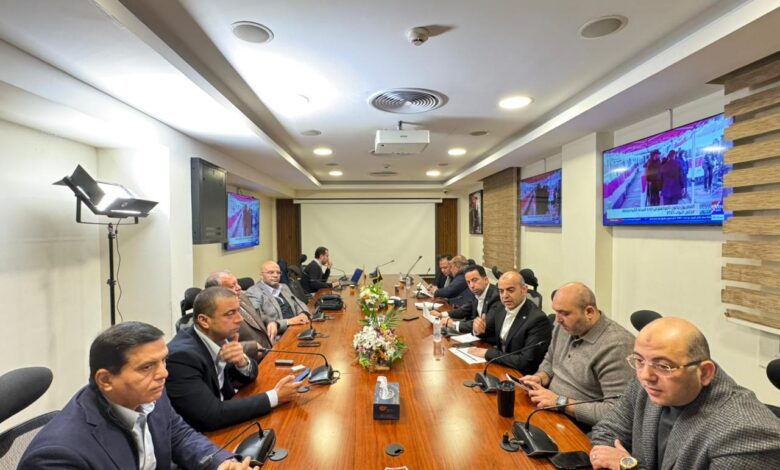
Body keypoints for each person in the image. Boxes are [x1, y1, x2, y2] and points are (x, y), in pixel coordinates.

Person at [18, 321, 258, 469]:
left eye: (163, 361)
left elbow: (178, 435)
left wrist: (221, 463)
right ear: (105, 380)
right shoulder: (56, 457)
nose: (164, 373)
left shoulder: (151, 396)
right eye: (147, 367)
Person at [589, 317, 780, 470]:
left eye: (663, 366)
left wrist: (627, 465)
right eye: (639, 360)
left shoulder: (747, 433)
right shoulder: (647, 384)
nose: (645, 376)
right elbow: (606, 431)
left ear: (705, 373)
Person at [166, 287, 301, 432]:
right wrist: (275, 397)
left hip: (227, 417)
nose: (240, 319)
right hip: (203, 433)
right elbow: (210, 415)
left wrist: (242, 363)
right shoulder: (181, 357)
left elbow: (250, 375)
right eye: (230, 314)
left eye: (238, 311)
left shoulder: (221, 335)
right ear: (204, 321)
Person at [521, 282, 635, 428]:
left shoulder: (617, 346)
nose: (557, 320)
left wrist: (561, 402)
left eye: (564, 313)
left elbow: (618, 413)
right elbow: (550, 359)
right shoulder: (565, 327)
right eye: (556, 312)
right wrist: (541, 377)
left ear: (589, 312)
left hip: (579, 425)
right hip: (549, 408)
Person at [466, 271, 552, 374]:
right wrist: (478, 329)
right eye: (501, 291)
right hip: (501, 366)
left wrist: (488, 353)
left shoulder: (538, 319)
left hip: (520, 374)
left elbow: (526, 362)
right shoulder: (501, 308)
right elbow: (489, 332)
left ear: (524, 290)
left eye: (510, 290)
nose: (505, 296)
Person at [206, 271, 272, 362]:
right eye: (232, 286)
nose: (239, 288)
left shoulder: (241, 296)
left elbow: (255, 316)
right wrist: (251, 347)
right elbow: (218, 348)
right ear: (218, 292)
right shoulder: (215, 314)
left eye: (237, 283)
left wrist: (271, 322)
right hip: (249, 361)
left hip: (269, 351)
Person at [246, 260, 311, 340]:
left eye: (278, 273)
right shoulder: (253, 292)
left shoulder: (284, 287)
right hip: (278, 337)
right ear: (261, 275)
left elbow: (298, 303)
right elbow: (257, 317)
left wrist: (303, 313)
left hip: (296, 328)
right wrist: (288, 322)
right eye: (271, 272)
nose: (275, 275)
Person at [438, 265, 500, 334]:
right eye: (468, 282)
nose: (471, 286)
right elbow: (464, 310)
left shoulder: (496, 297)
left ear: (486, 280)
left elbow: (484, 324)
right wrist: (442, 314)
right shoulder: (477, 292)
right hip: (476, 335)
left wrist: (453, 324)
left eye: (474, 280)